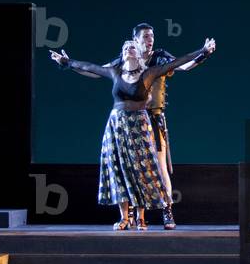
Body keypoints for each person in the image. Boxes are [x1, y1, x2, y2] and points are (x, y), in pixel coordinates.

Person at [50, 37, 216, 230]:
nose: (129, 49)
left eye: (132, 47)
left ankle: (141, 217)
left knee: (141, 170)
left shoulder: (149, 73)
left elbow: (177, 62)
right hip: (117, 126)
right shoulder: (115, 72)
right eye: (126, 47)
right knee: (119, 170)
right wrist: (66, 62)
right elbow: (91, 67)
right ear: (123, 53)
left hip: (139, 125)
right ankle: (124, 218)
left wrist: (202, 50)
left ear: (138, 53)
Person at [106, 23, 202, 229]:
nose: (150, 40)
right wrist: (68, 63)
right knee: (128, 167)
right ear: (136, 39)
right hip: (128, 120)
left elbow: (183, 65)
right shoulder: (126, 57)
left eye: (152, 36)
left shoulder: (159, 57)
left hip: (152, 118)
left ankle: (167, 211)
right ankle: (130, 215)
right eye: (146, 36)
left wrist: (203, 53)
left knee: (159, 166)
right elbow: (101, 70)